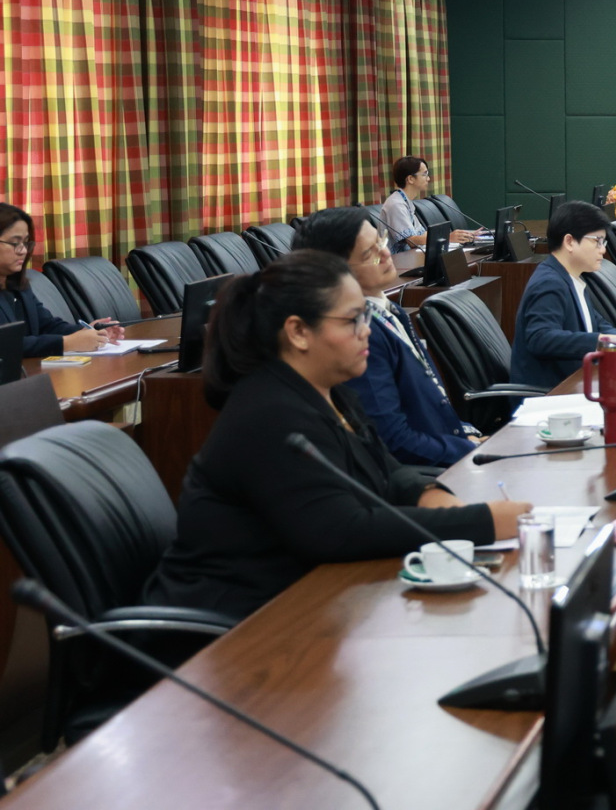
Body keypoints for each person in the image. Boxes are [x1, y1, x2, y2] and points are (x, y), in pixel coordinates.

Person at [143, 251, 530, 621]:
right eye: (352, 320)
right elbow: (340, 530)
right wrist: (482, 523)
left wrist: (431, 495)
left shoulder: (331, 390)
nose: (367, 331)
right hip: (233, 625)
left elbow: (388, 469)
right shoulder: (268, 414)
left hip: (309, 601)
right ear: (298, 332)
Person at [292, 208, 482, 468]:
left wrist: (466, 436)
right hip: (430, 471)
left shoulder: (390, 311)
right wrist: (468, 449)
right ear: (334, 271)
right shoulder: (361, 335)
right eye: (369, 254)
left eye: (380, 241)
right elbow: (394, 441)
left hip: (448, 448)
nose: (385, 253)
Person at [510, 200, 616, 389]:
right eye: (597, 241)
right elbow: (540, 338)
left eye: (603, 242)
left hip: (576, 382)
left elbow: (596, 322)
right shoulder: (549, 282)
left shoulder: (570, 276)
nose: (603, 249)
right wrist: (601, 341)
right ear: (569, 242)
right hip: (551, 392)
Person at [0, 203, 123, 356]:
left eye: (26, 242)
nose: (23, 250)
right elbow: (5, 345)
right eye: (15, 243)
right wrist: (66, 343)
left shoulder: (18, 285)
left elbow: (47, 326)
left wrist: (89, 331)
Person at [381, 157, 475, 251]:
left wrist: (464, 235)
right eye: (424, 174)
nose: (428, 178)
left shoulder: (406, 202)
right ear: (410, 179)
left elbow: (422, 234)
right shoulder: (396, 204)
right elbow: (412, 241)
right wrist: (448, 237)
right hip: (396, 259)